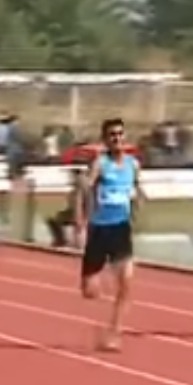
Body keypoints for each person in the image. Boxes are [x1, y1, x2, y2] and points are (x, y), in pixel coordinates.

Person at [75, 118, 144, 351]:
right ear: (105, 139)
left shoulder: (133, 164)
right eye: (112, 134)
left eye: (120, 134)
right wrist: (80, 222)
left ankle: (113, 333)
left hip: (121, 229)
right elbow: (83, 189)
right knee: (90, 291)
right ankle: (94, 279)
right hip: (99, 230)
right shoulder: (100, 163)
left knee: (126, 285)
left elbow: (137, 188)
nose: (117, 138)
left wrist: (138, 206)